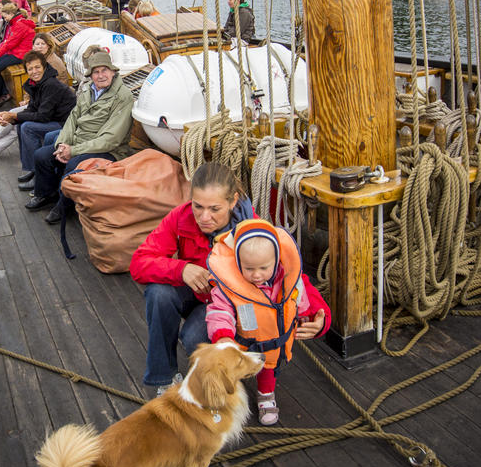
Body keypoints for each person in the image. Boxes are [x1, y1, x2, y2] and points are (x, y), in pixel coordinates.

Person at [128, 162, 255, 394]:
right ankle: (164, 378)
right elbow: (138, 263)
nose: (204, 217)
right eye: (198, 206)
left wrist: (319, 316)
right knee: (159, 294)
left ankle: (224, 370)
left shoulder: (252, 230)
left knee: (194, 338)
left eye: (215, 209)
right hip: (195, 293)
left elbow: (287, 273)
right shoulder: (181, 217)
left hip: (226, 305)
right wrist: (181, 269)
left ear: (233, 201)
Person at [206, 218, 330, 425]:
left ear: (277, 261)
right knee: (227, 373)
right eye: (248, 268)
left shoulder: (289, 281)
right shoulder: (229, 287)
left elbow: (303, 302)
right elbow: (220, 312)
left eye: (263, 268)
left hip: (270, 343)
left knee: (268, 367)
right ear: (238, 263)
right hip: (240, 342)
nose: (256, 275)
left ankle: (266, 396)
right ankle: (223, 401)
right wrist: (222, 337)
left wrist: (314, 318)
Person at [26, 50, 134, 224]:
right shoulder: (88, 91)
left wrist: (73, 150)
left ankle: (64, 205)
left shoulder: (123, 97)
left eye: (104, 70)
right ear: (90, 75)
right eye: (96, 72)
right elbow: (72, 119)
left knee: (73, 164)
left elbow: (111, 139)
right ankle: (46, 194)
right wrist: (63, 143)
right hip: (80, 142)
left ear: (113, 72)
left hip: (110, 150)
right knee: (41, 156)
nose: (100, 75)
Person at [0, 32, 71, 162]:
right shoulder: (37, 63)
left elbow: (51, 97)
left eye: (42, 44)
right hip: (44, 103)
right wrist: (26, 100)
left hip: (54, 109)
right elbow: (34, 88)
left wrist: (16, 116)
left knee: (19, 121)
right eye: (37, 44)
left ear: (49, 46)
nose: (39, 46)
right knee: (14, 116)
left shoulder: (52, 65)